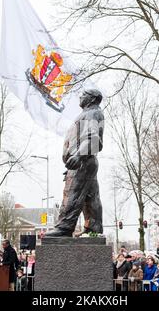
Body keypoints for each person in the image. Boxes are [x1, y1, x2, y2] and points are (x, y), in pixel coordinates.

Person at [45, 89, 105, 237]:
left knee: (73, 193)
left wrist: (78, 156)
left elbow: (93, 138)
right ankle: (94, 227)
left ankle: (64, 227)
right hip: (85, 161)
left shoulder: (90, 113)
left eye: (84, 95)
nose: (80, 96)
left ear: (92, 99)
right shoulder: (91, 113)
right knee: (90, 196)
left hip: (83, 162)